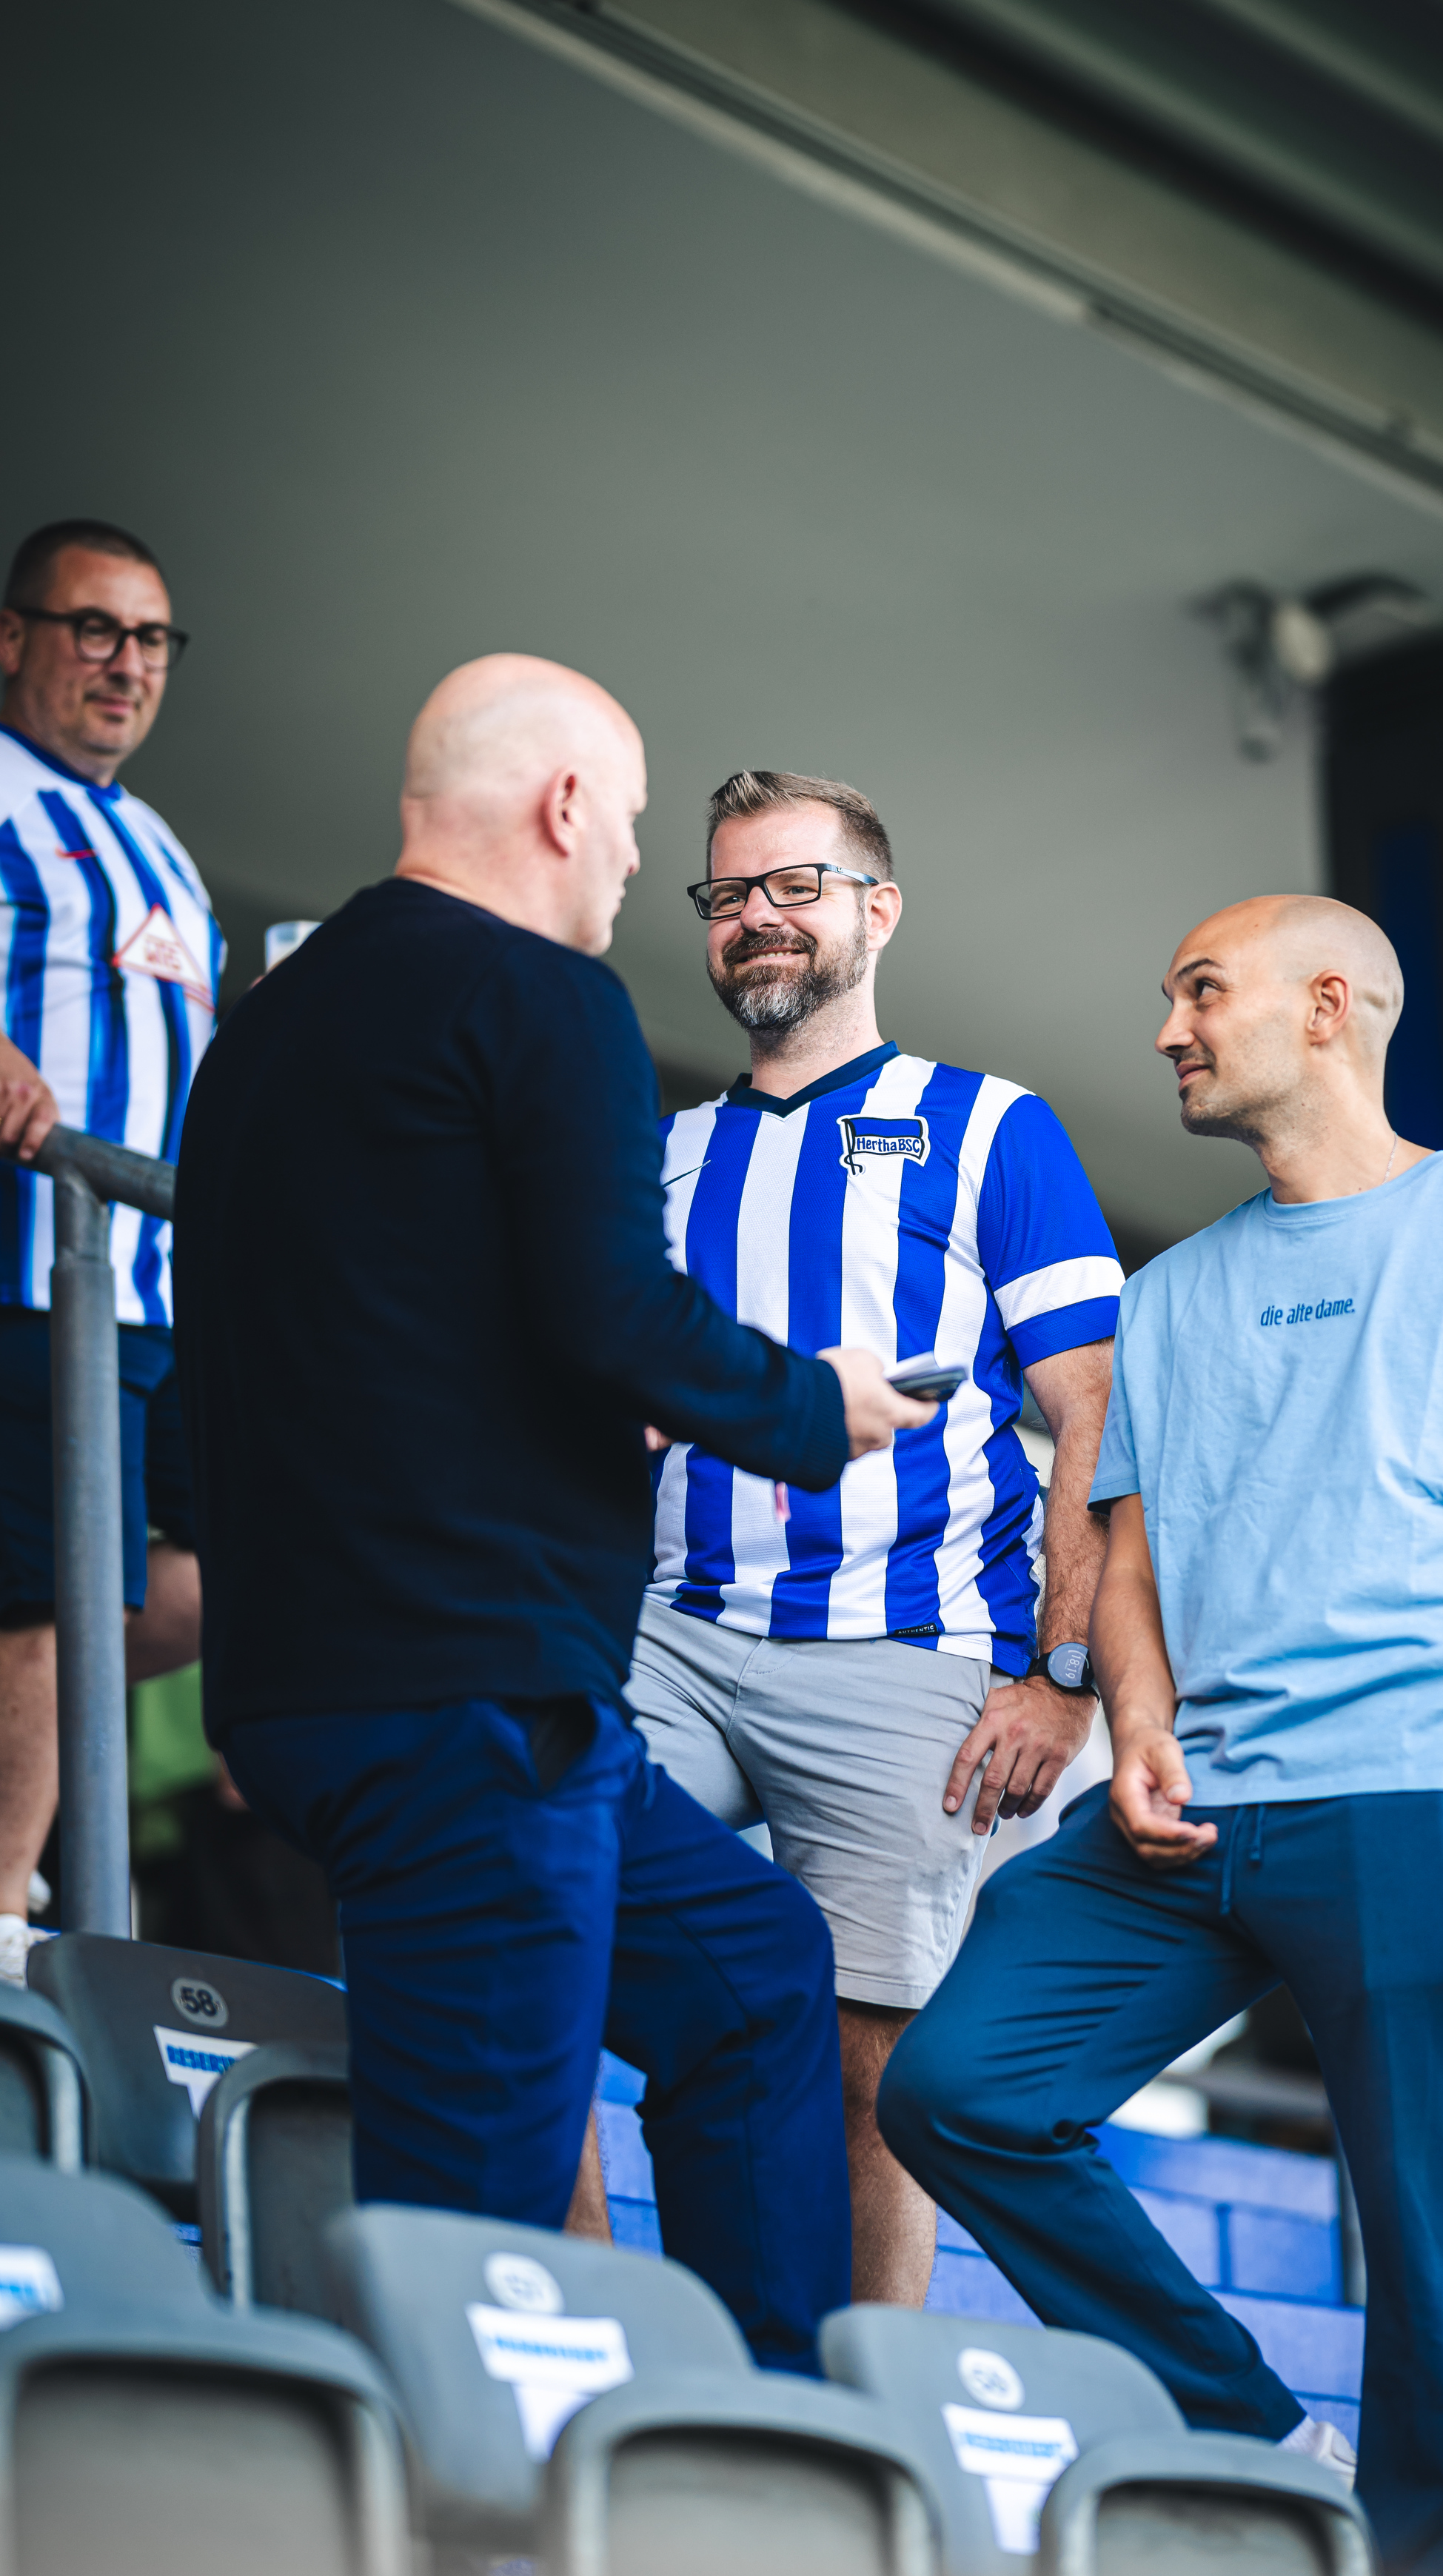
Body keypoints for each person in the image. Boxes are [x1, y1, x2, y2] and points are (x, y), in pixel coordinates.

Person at [880, 894, 1443, 2576]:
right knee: (960, 2088)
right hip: (1199, 1809)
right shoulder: (1171, 1290)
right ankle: (1244, 2434)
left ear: (1327, 1006)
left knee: (1432, 2255)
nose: (1165, 1026)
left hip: (1428, 1794)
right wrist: (1135, 1725)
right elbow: (1134, 1556)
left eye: (1199, 991)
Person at [173, 657, 930, 2373]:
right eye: (640, 826)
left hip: (325, 1684)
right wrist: (820, 1403)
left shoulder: (267, 1031)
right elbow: (610, 1307)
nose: (631, 870)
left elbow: (333, 1333)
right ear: (565, 805)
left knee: (753, 1969)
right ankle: (464, 2526)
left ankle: (761, 2445)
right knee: (480, 2237)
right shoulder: (539, 995)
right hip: (468, 1693)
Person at [628, 769, 1122, 2306]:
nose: (756, 918)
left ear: (874, 911)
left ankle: (860, 2424)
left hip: (907, 1648)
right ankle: (582, 2292)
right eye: (727, 895)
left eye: (794, 886)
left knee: (869, 2070)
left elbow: (1099, 1409)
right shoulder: (657, 1150)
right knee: (532, 1898)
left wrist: (1059, 1677)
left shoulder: (990, 1128)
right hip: (669, 1625)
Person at [0, 520, 218, 1980]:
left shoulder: (158, 838)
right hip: (30, 1271)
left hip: (164, 1291)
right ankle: (6, 1906)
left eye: (148, 640)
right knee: (38, 1596)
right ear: (12, 638)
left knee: (229, 1577)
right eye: (92, 628)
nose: (123, 664)